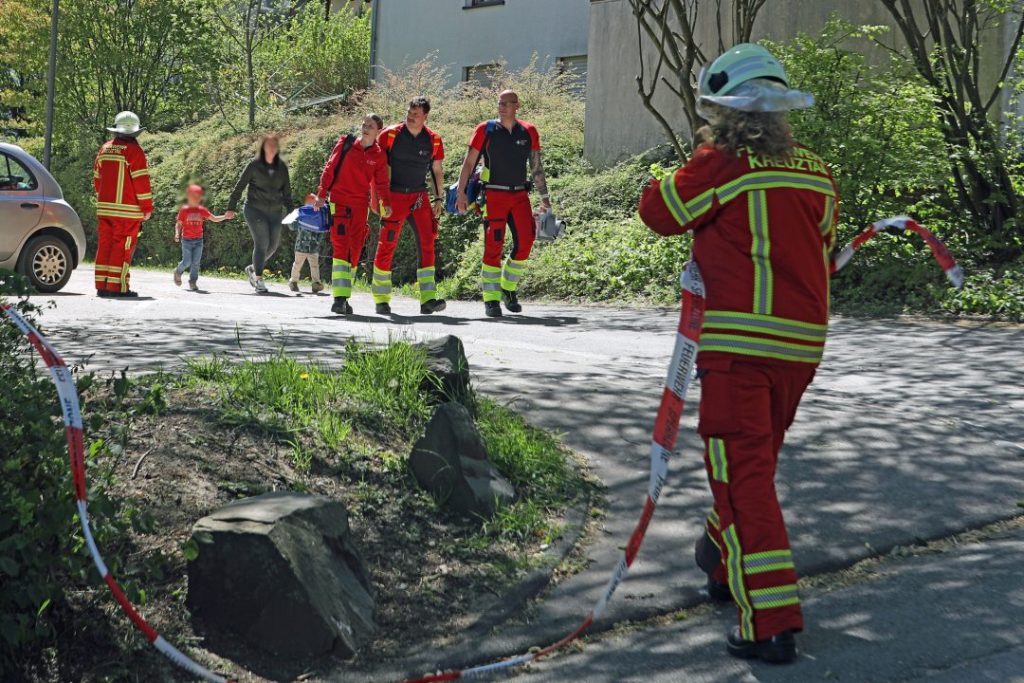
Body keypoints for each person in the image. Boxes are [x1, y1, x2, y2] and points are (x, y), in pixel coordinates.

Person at [637, 44, 838, 664]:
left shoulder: (722, 164)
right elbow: (822, 247)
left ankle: (770, 623)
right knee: (750, 468)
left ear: (722, 112)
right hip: (800, 351)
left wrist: (689, 163)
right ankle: (720, 559)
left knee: (743, 477)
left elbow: (657, 212)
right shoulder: (816, 171)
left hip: (738, 353)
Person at [455, 89, 551, 318]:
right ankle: (491, 300)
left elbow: (536, 167)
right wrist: (461, 192)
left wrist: (545, 198)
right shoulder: (485, 129)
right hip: (493, 196)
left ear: (517, 105)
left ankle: (507, 288)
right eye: (500, 103)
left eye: (507, 103)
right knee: (493, 245)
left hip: (520, 196)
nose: (502, 107)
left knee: (526, 242)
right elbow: (469, 163)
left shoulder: (529, 131)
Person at [372, 96, 446, 316]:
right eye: (409, 112)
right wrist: (378, 200)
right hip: (394, 197)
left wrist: (438, 199)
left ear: (425, 116)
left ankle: (428, 300)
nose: (411, 116)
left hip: (419, 198)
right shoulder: (390, 135)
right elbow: (376, 168)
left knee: (428, 243)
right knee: (387, 245)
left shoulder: (433, 140)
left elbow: (437, 171)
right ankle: (381, 300)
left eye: (416, 114)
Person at [313, 114, 393, 315]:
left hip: (360, 208)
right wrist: (321, 194)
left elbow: (382, 183)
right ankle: (339, 299)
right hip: (339, 204)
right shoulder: (346, 143)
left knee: (355, 249)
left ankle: (344, 297)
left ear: (378, 131)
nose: (365, 128)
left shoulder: (379, 155)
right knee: (341, 246)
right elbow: (330, 168)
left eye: (370, 126)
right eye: (364, 124)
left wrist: (386, 203)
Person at [92, 111, 152, 298]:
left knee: (105, 246)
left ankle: (102, 286)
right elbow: (141, 182)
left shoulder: (105, 148)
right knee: (122, 247)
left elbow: (97, 180)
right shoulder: (134, 151)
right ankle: (117, 287)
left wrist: (104, 200)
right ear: (135, 132)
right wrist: (147, 208)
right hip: (128, 212)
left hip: (105, 209)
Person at [225, 134, 293, 294]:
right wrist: (231, 207)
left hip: (275, 212)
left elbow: (287, 194)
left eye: (274, 145)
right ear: (263, 147)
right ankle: (259, 280)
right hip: (254, 210)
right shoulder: (254, 165)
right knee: (262, 242)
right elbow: (239, 186)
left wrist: (292, 213)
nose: (272, 148)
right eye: (269, 145)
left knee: (273, 245)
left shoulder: (282, 167)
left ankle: (253, 268)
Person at [173, 184, 229, 291]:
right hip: (187, 240)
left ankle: (193, 282)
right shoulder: (184, 210)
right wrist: (177, 234)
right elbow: (179, 224)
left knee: (196, 263)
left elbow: (214, 218)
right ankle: (178, 272)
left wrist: (225, 216)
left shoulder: (202, 210)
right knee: (187, 262)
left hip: (198, 240)